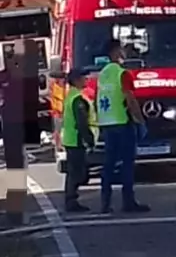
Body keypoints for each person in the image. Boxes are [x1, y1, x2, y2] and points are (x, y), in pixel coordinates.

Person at [95, 39, 149, 214]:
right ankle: (128, 201)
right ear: (116, 52)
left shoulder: (102, 74)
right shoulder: (122, 74)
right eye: (121, 49)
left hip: (107, 124)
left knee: (109, 165)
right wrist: (140, 120)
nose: (124, 52)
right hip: (123, 123)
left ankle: (105, 202)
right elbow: (130, 99)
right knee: (127, 164)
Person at [60, 66, 96, 214]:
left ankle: (71, 199)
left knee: (74, 172)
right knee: (77, 173)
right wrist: (89, 139)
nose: (86, 79)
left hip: (71, 139)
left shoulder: (72, 96)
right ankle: (71, 201)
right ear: (75, 80)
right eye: (83, 77)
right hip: (76, 140)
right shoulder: (77, 99)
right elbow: (81, 122)